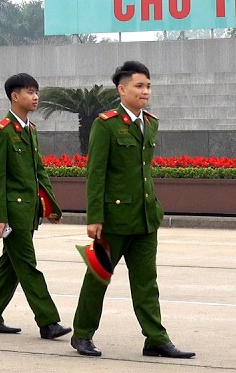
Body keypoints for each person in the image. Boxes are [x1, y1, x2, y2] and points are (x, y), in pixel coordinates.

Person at [69, 61, 194, 359]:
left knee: (147, 283)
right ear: (121, 89)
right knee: (98, 277)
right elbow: (96, 173)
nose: (145, 91)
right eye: (139, 86)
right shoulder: (106, 124)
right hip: (113, 220)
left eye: (148, 86)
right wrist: (94, 217)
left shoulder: (150, 122)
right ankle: (82, 334)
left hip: (146, 218)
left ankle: (155, 338)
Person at [0, 73, 71, 340]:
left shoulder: (29, 130)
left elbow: (38, 171)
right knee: (27, 266)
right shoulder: (1, 132)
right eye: (29, 92)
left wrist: (50, 206)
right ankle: (48, 321)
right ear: (14, 96)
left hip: (29, 212)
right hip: (13, 214)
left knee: (10, 266)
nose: (35, 97)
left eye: (36, 92)